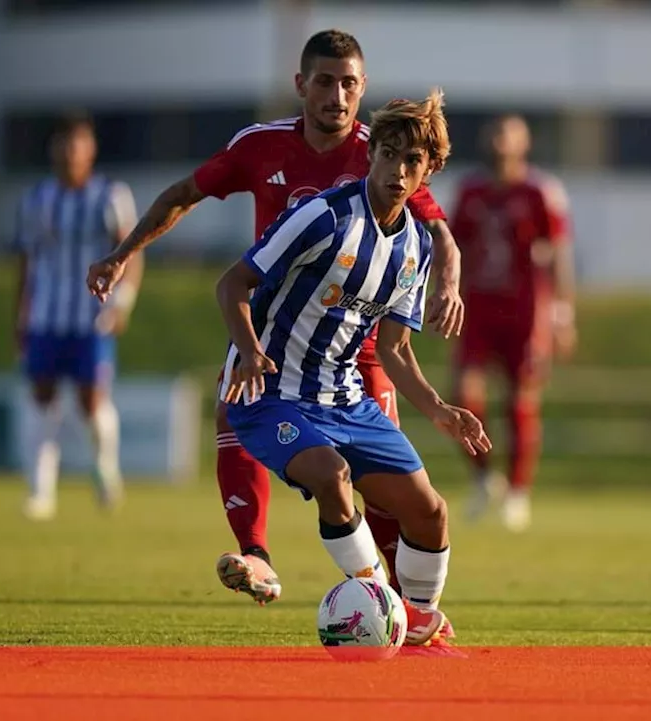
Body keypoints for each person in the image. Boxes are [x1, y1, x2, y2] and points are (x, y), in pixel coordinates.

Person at [86, 29, 464, 605]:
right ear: (301, 85)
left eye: (349, 84)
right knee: (235, 414)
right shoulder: (266, 148)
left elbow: (435, 233)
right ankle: (260, 557)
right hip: (274, 331)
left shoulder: (388, 151)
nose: (337, 96)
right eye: (325, 82)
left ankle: (406, 610)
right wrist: (123, 253)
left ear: (363, 90)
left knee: (392, 495)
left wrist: (449, 287)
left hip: (360, 347)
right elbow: (185, 195)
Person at [219, 89, 485, 652]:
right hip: (269, 393)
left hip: (345, 398)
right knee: (331, 474)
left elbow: (394, 351)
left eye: (412, 162)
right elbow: (232, 284)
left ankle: (416, 624)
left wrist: (439, 409)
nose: (397, 169)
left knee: (430, 513)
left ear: (428, 173)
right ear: (372, 155)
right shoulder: (322, 216)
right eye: (388, 154)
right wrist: (246, 350)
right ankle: (375, 600)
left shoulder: (414, 246)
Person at [447, 115, 576, 532]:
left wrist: (562, 313)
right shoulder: (470, 190)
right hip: (479, 307)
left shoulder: (541, 190)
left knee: (520, 401)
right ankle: (486, 478)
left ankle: (518, 493)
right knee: (462, 395)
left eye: (510, 133)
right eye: (496, 132)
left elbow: (559, 253)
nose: (501, 141)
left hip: (526, 309)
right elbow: (452, 246)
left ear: (525, 142)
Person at [14, 111, 142, 521]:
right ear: (53, 149)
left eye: (77, 143)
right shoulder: (36, 198)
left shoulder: (110, 195)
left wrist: (123, 302)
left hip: (92, 316)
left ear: (91, 149)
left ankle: (105, 471)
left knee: (91, 401)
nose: (70, 152)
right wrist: (20, 314)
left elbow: (131, 253)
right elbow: (26, 262)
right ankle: (40, 492)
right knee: (41, 396)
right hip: (46, 317)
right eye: (63, 144)